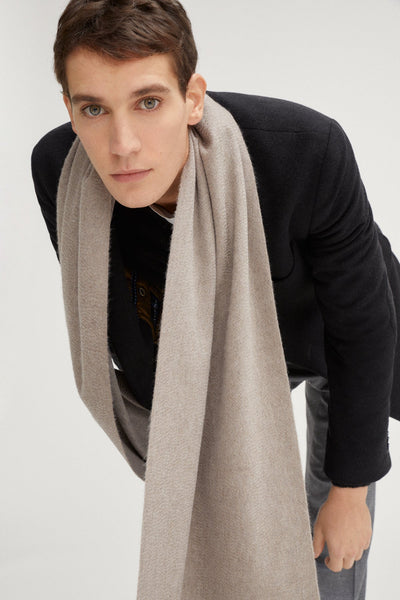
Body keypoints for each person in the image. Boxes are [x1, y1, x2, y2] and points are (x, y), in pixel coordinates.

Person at [31, 0, 400, 598]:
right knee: (227, 532)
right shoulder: (60, 170)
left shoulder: (306, 151)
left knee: (331, 544)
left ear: (193, 98)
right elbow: (122, 322)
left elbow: (361, 328)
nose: (122, 144)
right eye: (94, 108)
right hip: (209, 347)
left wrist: (349, 494)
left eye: (149, 102)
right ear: (69, 109)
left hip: (324, 330)